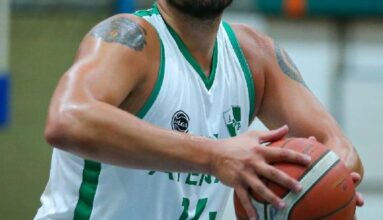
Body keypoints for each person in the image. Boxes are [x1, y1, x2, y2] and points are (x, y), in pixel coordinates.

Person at [34, 0, 364, 219]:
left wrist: (325, 180)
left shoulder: (255, 55)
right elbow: (68, 118)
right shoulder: (129, 39)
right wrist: (215, 155)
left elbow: (340, 148)